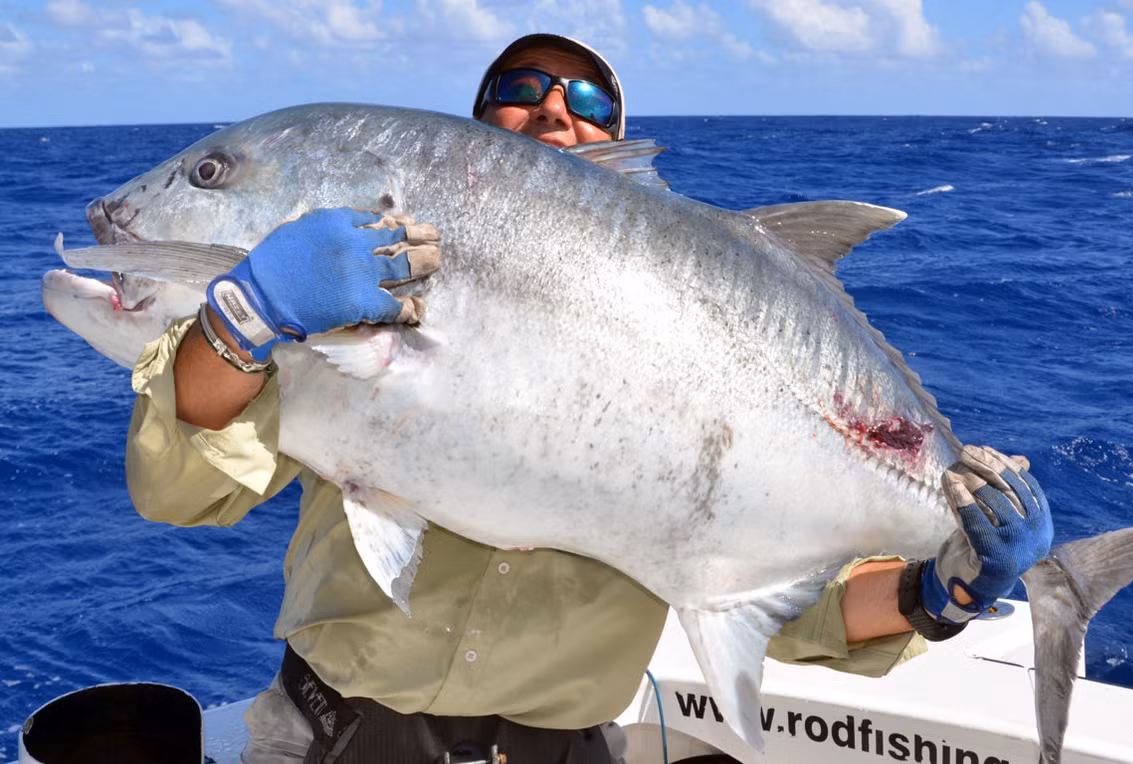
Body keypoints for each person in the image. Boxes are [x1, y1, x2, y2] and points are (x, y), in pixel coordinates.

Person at [125, 33, 1052, 764]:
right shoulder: (318, 300)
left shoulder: (680, 325)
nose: (554, 110)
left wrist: (949, 591)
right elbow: (183, 493)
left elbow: (801, 607)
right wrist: (244, 320)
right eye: (521, 90)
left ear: (617, 140)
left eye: (588, 99)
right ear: (473, 126)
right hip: (333, 737)